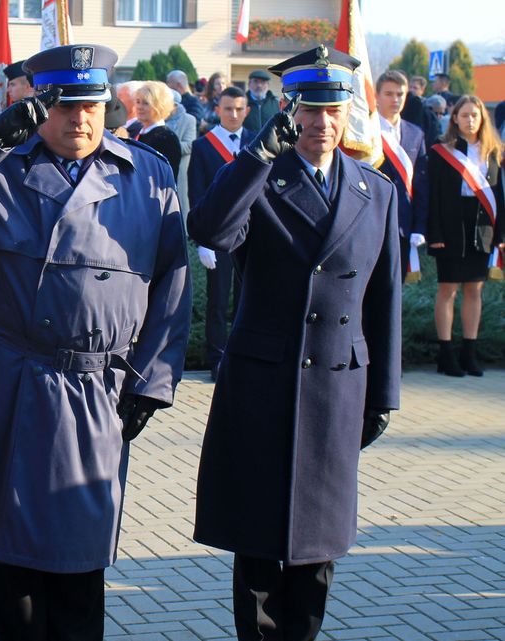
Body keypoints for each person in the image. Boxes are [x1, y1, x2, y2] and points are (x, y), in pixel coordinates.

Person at [0, 43, 191, 640]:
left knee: (77, 569)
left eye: (91, 103)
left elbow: (172, 284)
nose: (80, 118)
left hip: (93, 393)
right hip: (4, 383)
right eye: (63, 105)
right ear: (38, 105)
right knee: (8, 574)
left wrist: (154, 381)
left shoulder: (146, 175)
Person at [189, 45, 401, 641]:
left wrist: (382, 392)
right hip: (265, 384)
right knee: (259, 544)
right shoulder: (261, 175)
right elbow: (208, 230)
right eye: (311, 109)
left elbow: (381, 301)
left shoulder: (375, 191)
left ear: (348, 113)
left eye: (334, 109)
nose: (322, 123)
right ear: (290, 111)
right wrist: (257, 155)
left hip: (337, 385)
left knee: (318, 548)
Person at [426, 94, 505, 377]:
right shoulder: (440, 151)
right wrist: (433, 231)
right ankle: (445, 354)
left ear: (483, 118)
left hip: (483, 225)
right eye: (465, 115)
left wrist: (501, 234)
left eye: (475, 115)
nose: (470, 120)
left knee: (475, 290)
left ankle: (468, 353)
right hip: (450, 226)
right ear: (454, 118)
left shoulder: (494, 152)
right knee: (448, 289)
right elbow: (432, 195)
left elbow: (500, 195)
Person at [188, 85, 253, 381]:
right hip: (218, 237)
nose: (234, 114)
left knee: (246, 300)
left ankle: (242, 356)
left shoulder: (256, 142)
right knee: (217, 302)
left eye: (239, 109)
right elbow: (197, 194)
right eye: (228, 108)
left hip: (252, 236)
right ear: (217, 110)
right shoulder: (203, 146)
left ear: (247, 111)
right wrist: (203, 240)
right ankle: (216, 358)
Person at [375, 70, 429, 283]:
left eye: (400, 94)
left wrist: (419, 226)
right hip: (371, 221)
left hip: (403, 225)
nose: (395, 99)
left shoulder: (416, 133)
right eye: (389, 94)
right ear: (377, 96)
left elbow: (421, 184)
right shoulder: (363, 133)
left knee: (395, 290)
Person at [134, 80, 183, 175]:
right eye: (138, 102)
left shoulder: (167, 138)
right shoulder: (140, 132)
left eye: (146, 103)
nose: (139, 107)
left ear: (159, 106)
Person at [243, 69, 280, 134]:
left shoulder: (276, 104)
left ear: (268, 85)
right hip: (247, 143)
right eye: (255, 81)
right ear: (249, 84)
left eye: (263, 82)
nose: (259, 85)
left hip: (270, 143)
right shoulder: (242, 103)